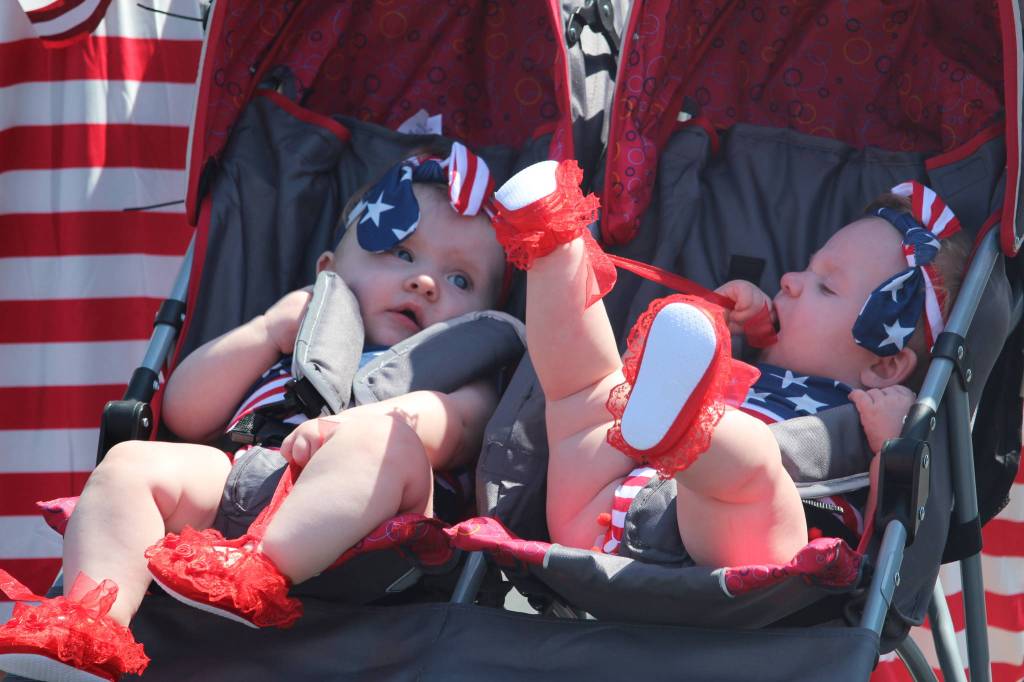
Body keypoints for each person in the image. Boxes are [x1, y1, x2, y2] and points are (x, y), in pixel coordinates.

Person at [0, 142, 508, 682]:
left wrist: (357, 427)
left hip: (379, 527)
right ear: (329, 271)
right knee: (128, 463)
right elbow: (187, 412)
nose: (424, 281)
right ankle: (89, 629)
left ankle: (262, 571)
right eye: (402, 254)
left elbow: (453, 427)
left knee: (390, 437)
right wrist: (266, 331)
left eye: (460, 280)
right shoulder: (294, 341)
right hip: (243, 480)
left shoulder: (468, 373)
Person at [489, 160, 969, 569]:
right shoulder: (756, 359)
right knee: (587, 391)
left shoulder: (881, 414)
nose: (791, 279)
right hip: (601, 511)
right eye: (807, 266)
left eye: (826, 287)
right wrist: (751, 324)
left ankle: (690, 430)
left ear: (886, 367)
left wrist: (894, 447)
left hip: (739, 557)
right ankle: (551, 239)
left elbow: (898, 523)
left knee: (755, 465)